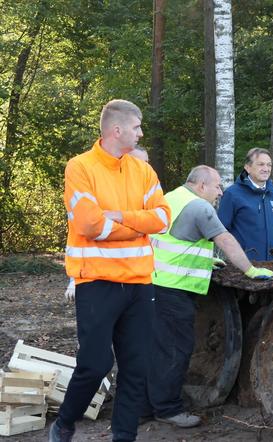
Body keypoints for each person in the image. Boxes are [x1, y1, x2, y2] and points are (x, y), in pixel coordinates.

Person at [51, 99, 171, 442]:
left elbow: (162, 218)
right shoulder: (80, 167)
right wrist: (138, 223)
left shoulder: (142, 170)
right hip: (97, 282)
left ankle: (124, 436)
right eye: (137, 127)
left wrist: (119, 216)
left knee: (136, 368)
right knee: (95, 363)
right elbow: (90, 224)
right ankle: (64, 423)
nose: (141, 132)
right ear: (116, 130)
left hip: (139, 284)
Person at [145, 165, 273, 428]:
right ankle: (168, 408)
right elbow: (225, 239)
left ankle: (146, 404)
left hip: (155, 283)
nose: (220, 192)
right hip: (176, 289)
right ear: (202, 185)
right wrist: (250, 269)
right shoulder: (200, 207)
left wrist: (207, 262)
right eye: (217, 186)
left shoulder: (171, 198)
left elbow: (178, 240)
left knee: (158, 348)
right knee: (177, 350)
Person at [62, 147, 150, 302]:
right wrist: (139, 228)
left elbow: (160, 222)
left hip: (139, 278)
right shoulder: (100, 186)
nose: (144, 167)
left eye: (147, 163)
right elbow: (90, 227)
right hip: (99, 280)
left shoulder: (147, 189)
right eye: (139, 162)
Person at [217, 148, 273, 261]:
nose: (266, 169)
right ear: (247, 167)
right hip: (245, 267)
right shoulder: (232, 194)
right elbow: (221, 231)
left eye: (269, 165)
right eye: (261, 164)